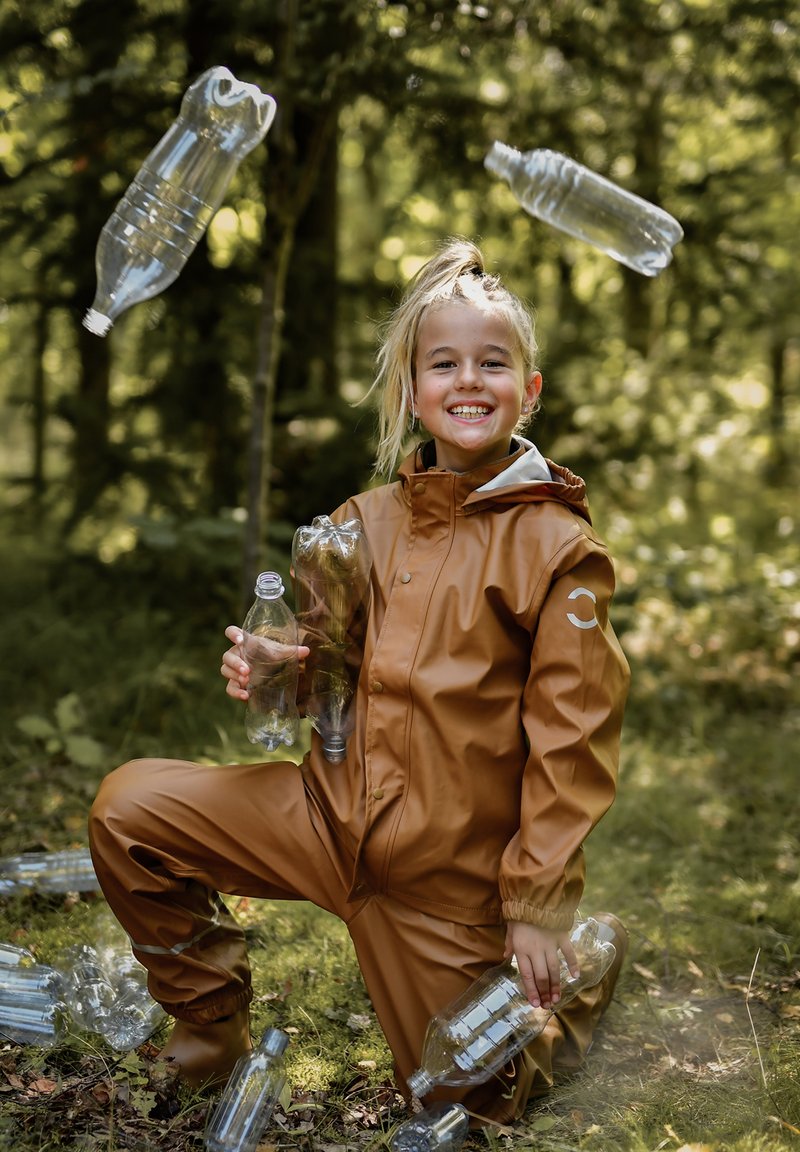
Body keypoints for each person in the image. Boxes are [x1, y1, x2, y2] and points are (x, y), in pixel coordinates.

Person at [88, 237, 630, 1126]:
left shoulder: (559, 550)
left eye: (493, 363)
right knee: (127, 811)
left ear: (528, 389)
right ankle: (209, 1026)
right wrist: (273, 670)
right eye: (443, 363)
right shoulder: (357, 525)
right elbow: (319, 666)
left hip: (446, 880)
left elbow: (573, 741)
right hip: (323, 819)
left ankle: (571, 986)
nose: (468, 381)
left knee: (474, 1103)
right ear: (412, 392)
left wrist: (536, 905)